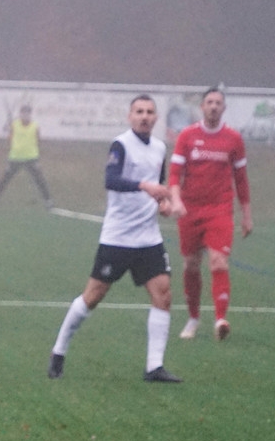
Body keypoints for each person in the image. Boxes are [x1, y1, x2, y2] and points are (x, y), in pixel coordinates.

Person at [47, 95, 181, 383]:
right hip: (118, 237)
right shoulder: (121, 145)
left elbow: (158, 184)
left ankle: (154, 367)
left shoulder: (159, 148)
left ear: (156, 118)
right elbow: (111, 180)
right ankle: (58, 351)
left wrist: (163, 204)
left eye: (149, 112)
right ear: (129, 116)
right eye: (139, 111)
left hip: (148, 238)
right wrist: (144, 186)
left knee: (163, 294)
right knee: (93, 296)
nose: (144, 116)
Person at [168, 87, 253, 341]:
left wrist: (246, 215)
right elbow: (174, 174)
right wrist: (176, 200)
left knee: (218, 262)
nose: (214, 106)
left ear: (223, 108)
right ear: (202, 107)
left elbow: (241, 179)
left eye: (218, 103)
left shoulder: (233, 139)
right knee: (191, 264)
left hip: (220, 210)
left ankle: (220, 319)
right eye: (209, 102)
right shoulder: (187, 135)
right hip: (190, 210)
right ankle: (193, 318)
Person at [0, 105, 52, 209]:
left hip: (31, 157)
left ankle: (48, 200)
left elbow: (38, 139)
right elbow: (9, 136)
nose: (25, 116)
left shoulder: (35, 126)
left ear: (30, 114)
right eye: (23, 113)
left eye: (27, 113)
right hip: (15, 157)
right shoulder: (15, 124)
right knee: (5, 178)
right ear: (20, 114)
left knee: (40, 180)